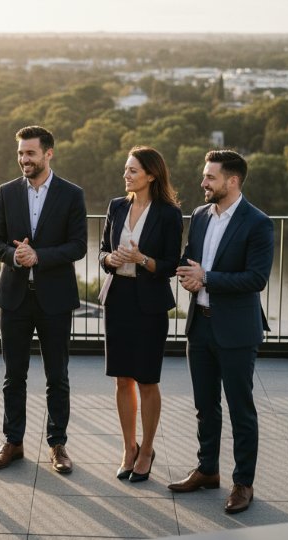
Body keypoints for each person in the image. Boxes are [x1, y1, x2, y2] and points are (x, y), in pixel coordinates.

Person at [171, 150, 274, 514]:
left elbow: (257, 278)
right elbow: (189, 258)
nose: (203, 183)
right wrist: (187, 275)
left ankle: (243, 483)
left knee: (240, 409)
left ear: (232, 181)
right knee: (205, 406)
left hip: (236, 331)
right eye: (204, 176)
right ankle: (207, 470)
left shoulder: (257, 222)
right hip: (199, 324)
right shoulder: (199, 216)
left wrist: (207, 278)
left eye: (210, 178)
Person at [0, 125, 87, 474]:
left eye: (30, 153)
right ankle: (13, 442)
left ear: (48, 154)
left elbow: (79, 245)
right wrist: (15, 257)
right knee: (14, 375)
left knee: (57, 376)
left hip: (55, 299)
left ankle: (57, 445)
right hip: (14, 298)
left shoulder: (72, 194)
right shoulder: (6, 192)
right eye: (20, 153)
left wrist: (38, 256)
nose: (23, 159)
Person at [98, 146, 183, 483]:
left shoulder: (168, 213)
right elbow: (102, 251)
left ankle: (147, 449)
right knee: (122, 378)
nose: (126, 175)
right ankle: (128, 447)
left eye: (133, 170)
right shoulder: (117, 206)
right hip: (117, 298)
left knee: (147, 379)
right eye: (126, 169)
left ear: (151, 174)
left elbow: (170, 265)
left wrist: (143, 260)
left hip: (149, 304)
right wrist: (111, 260)